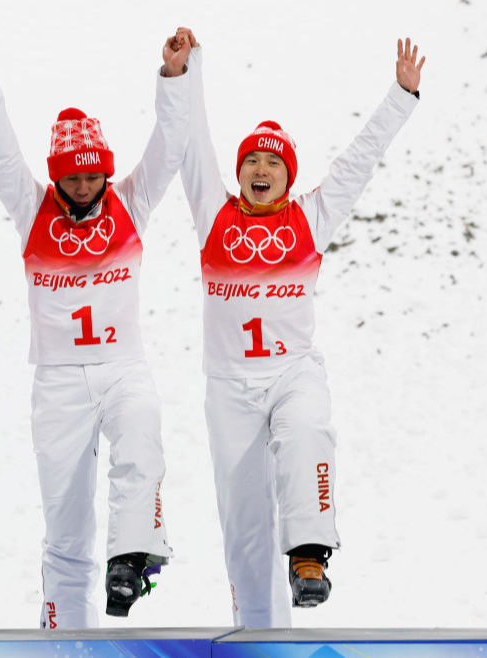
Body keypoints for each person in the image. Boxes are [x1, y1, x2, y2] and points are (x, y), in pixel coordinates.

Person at [178, 37, 426, 627]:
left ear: (288, 175)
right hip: (229, 385)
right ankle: (258, 634)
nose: (260, 170)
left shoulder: (310, 217)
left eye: (273, 163)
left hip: (291, 371)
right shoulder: (215, 213)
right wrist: (187, 72)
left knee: (308, 428)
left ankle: (310, 555)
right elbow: (191, 143)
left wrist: (402, 95)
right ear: (238, 173)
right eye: (251, 162)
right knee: (243, 529)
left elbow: (361, 158)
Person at [0, 29, 194, 628]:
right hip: (58, 382)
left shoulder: (129, 205)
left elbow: (168, 148)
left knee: (141, 434)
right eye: (73, 178)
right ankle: (61, 633)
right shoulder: (35, 213)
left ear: (105, 174)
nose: (84, 188)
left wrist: (174, 77)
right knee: (64, 521)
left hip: (121, 368)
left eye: (92, 177)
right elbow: (4, 155)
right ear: (58, 176)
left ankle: (131, 558)